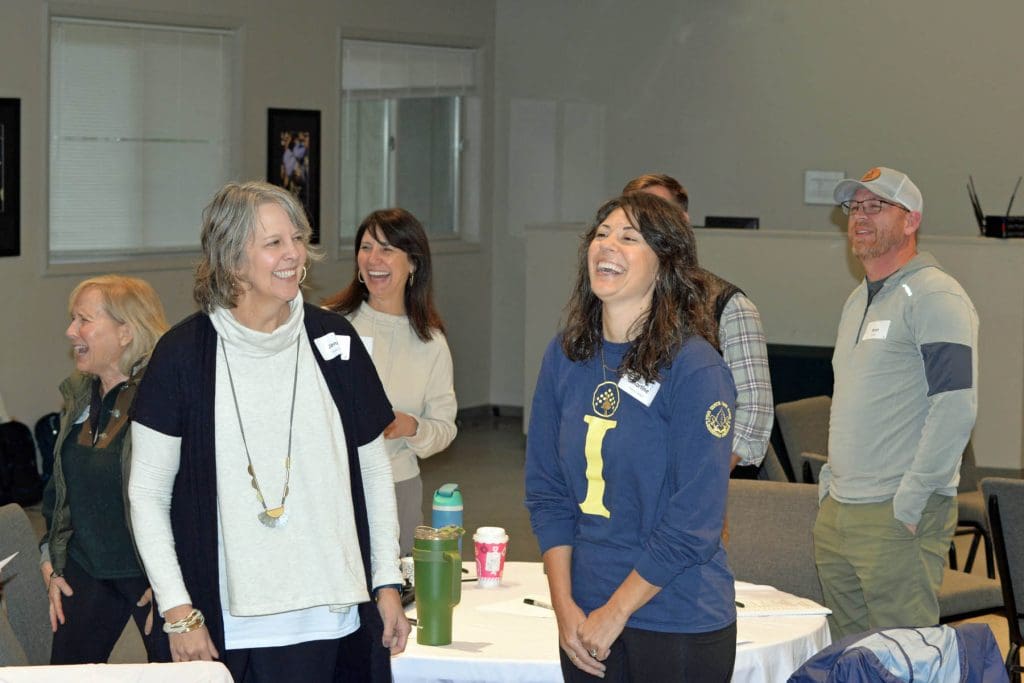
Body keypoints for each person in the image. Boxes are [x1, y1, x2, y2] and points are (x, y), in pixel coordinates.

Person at [128, 181, 408, 682]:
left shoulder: (333, 340)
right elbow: (147, 494)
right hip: (230, 625)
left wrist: (386, 581)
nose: (294, 254)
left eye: (297, 238)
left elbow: (372, 469)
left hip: (332, 616)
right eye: (274, 242)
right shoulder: (182, 354)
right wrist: (178, 611)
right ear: (233, 260)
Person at [525, 192, 737, 681]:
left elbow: (695, 521)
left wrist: (616, 612)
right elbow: (546, 493)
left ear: (666, 263)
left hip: (675, 617)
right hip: (583, 618)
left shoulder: (695, 367)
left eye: (628, 237)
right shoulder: (566, 356)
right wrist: (565, 608)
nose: (607, 246)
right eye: (600, 235)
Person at [814, 167, 978, 639]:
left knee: (902, 657)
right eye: (854, 207)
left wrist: (912, 498)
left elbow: (955, 406)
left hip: (895, 514)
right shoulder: (855, 301)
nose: (860, 217)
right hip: (841, 510)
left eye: (877, 206)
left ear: (911, 221)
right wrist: (831, 483)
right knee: (850, 656)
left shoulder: (936, 294)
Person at [39, 275, 170, 664]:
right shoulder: (80, 395)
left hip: (150, 574)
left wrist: (170, 581)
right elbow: (59, 491)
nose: (70, 331)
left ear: (126, 332)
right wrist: (51, 560)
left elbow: (187, 496)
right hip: (85, 566)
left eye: (83, 320)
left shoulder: (163, 396)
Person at [323, 208, 457, 556]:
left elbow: (444, 427)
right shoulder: (331, 326)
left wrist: (410, 427)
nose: (373, 259)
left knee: (397, 599)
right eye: (366, 247)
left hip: (399, 488)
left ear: (413, 263)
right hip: (333, 487)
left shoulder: (431, 343)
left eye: (387, 249)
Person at [623, 174, 773, 474]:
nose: (646, 228)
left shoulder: (728, 306)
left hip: (700, 481)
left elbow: (754, 415)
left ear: (683, 221)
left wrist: (704, 480)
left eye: (657, 214)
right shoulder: (616, 303)